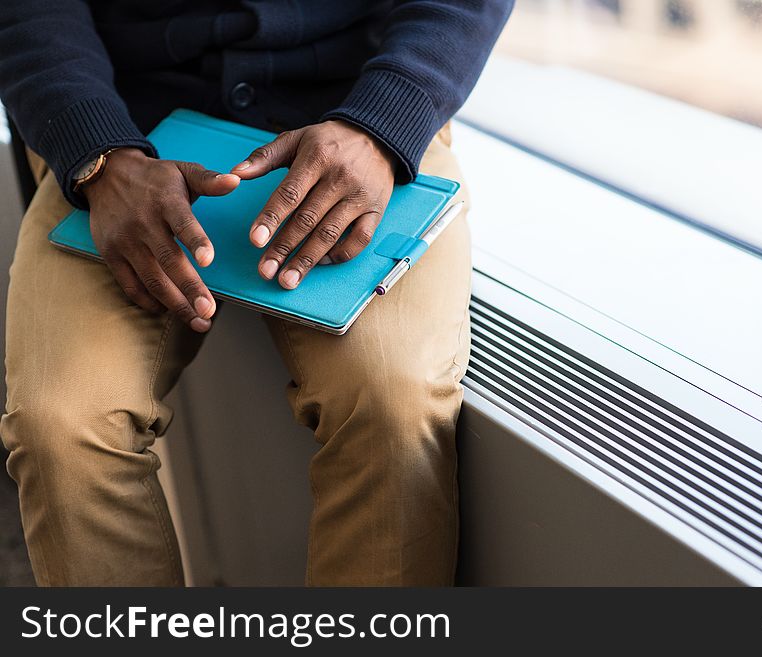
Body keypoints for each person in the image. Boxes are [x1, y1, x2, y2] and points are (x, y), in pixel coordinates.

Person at [0, 0, 512, 586]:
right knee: (58, 428)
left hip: (359, 119)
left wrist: (382, 122)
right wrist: (94, 151)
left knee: (393, 404)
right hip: (121, 132)